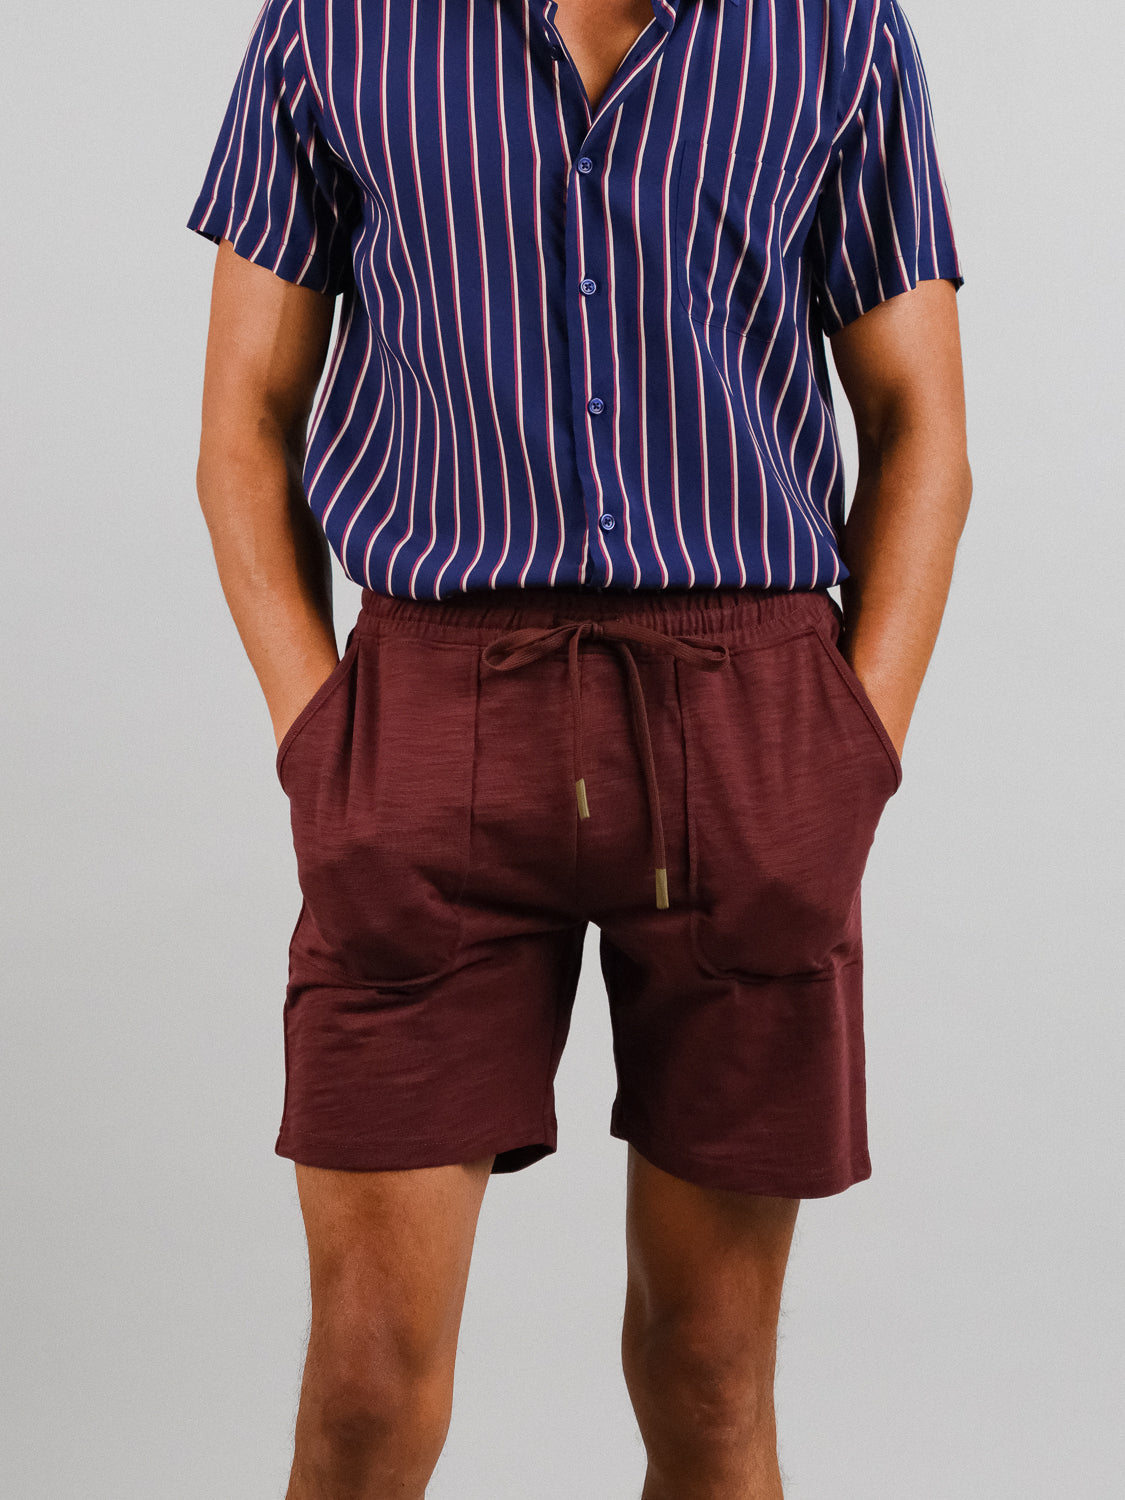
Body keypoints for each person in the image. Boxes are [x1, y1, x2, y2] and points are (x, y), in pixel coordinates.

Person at [187, 0, 970, 1493]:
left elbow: (919, 421)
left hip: (746, 729)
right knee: (363, 1387)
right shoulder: (335, 30)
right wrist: (321, 741)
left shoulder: (834, 37)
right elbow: (246, 424)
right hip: (427, 714)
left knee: (707, 1375)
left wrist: (848, 758)